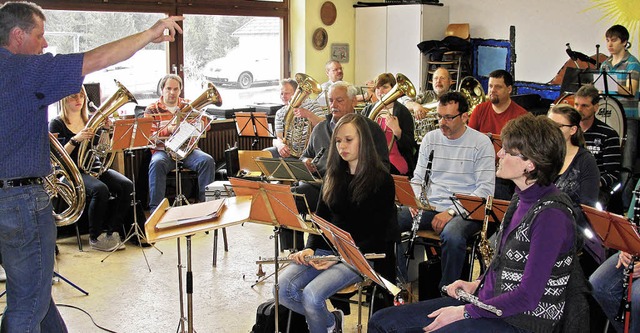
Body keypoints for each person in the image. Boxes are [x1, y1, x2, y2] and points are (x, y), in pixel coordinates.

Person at [0, 2, 182, 331]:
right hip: (21, 200)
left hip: (6, 200)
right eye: (39, 36)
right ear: (17, 35)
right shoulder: (24, 69)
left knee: (34, 292)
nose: (44, 45)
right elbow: (97, 58)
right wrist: (150, 33)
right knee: (27, 303)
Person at [370, 114, 580, 333]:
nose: (499, 154)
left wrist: (464, 312)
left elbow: (527, 296)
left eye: (507, 151)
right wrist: (476, 284)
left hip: (520, 321)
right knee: (382, 321)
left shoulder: (551, 215)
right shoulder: (520, 198)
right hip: (491, 304)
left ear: (530, 163)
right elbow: (503, 265)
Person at [277, 113, 396, 333]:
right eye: (338, 141)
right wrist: (309, 248)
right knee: (282, 289)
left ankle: (324, 325)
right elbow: (320, 220)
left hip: (362, 256)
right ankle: (330, 322)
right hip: (329, 250)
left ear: (364, 141)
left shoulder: (382, 180)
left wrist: (339, 257)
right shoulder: (333, 175)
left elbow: (380, 236)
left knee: (313, 296)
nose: (342, 146)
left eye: (348, 140)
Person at [396, 91, 495, 286]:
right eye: (440, 116)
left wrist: (451, 211)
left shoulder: (481, 143)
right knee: (389, 221)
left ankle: (448, 292)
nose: (442, 122)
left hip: (466, 210)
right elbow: (418, 178)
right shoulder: (430, 139)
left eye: (449, 117)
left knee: (453, 235)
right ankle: (398, 284)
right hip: (430, 206)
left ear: (464, 117)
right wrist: (415, 200)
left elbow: (484, 191)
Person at [49, 87, 133, 251]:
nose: (78, 100)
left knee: (126, 185)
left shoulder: (91, 121)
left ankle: (112, 231)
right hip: (70, 172)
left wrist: (107, 131)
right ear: (64, 99)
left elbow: (102, 149)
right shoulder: (56, 123)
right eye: (73, 97)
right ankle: (95, 237)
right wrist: (75, 139)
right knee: (100, 189)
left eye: (81, 96)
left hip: (91, 168)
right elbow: (57, 157)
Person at [297, 81, 390, 213]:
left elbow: (383, 167)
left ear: (354, 102)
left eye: (339, 100)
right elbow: (305, 155)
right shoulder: (320, 128)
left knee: (305, 198)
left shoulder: (371, 129)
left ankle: (322, 231)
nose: (333, 105)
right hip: (319, 184)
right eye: (330, 100)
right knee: (291, 199)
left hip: (352, 187)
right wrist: (305, 161)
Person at [144, 74, 216, 211]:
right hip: (163, 151)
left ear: (180, 90)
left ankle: (207, 206)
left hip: (188, 151)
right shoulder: (151, 109)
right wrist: (169, 129)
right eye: (168, 88)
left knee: (207, 161)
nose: (172, 92)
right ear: (162, 89)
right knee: (156, 163)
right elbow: (149, 136)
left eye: (176, 89)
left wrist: (200, 123)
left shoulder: (188, 105)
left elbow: (206, 125)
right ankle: (156, 210)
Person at [548, 104, 603, 273]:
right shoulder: (543, 155)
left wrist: (553, 217)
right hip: (542, 221)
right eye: (549, 125)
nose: (551, 130)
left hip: (573, 227)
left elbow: (587, 208)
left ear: (573, 130)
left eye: (557, 126)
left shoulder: (585, 161)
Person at [468, 69, 528, 200]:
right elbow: (469, 142)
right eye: (490, 86)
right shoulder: (479, 110)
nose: (492, 90)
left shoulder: (521, 116)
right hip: (479, 168)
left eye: (498, 86)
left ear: (509, 89)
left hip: (504, 174)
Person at [590, 179, 640, 333]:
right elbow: (630, 222)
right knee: (598, 284)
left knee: (638, 296)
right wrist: (626, 248)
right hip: (636, 247)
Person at [600, 24, 640, 210]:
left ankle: (624, 207)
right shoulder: (605, 65)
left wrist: (609, 86)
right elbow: (599, 90)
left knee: (626, 163)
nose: (610, 44)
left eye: (614, 40)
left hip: (628, 119)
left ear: (624, 42)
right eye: (608, 40)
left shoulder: (633, 63)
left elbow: (631, 89)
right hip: (608, 118)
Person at [574, 84, 622, 207]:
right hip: (571, 184)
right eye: (576, 105)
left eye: (585, 106)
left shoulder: (608, 134)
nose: (579, 109)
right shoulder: (570, 130)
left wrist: (591, 184)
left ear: (596, 107)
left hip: (597, 189)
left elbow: (612, 174)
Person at [363, 73, 417, 176]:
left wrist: (397, 131)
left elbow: (409, 146)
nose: (380, 91)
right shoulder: (368, 110)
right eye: (377, 88)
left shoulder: (403, 112)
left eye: (385, 87)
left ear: (393, 88)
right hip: (373, 157)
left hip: (395, 158)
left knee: (379, 172)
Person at [265, 78, 324, 159]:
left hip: (310, 152)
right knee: (264, 154)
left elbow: (324, 125)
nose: (283, 96)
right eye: (281, 93)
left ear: (297, 93)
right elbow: (279, 137)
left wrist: (308, 115)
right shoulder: (280, 113)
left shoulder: (312, 105)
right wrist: (280, 145)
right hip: (289, 152)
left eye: (286, 93)